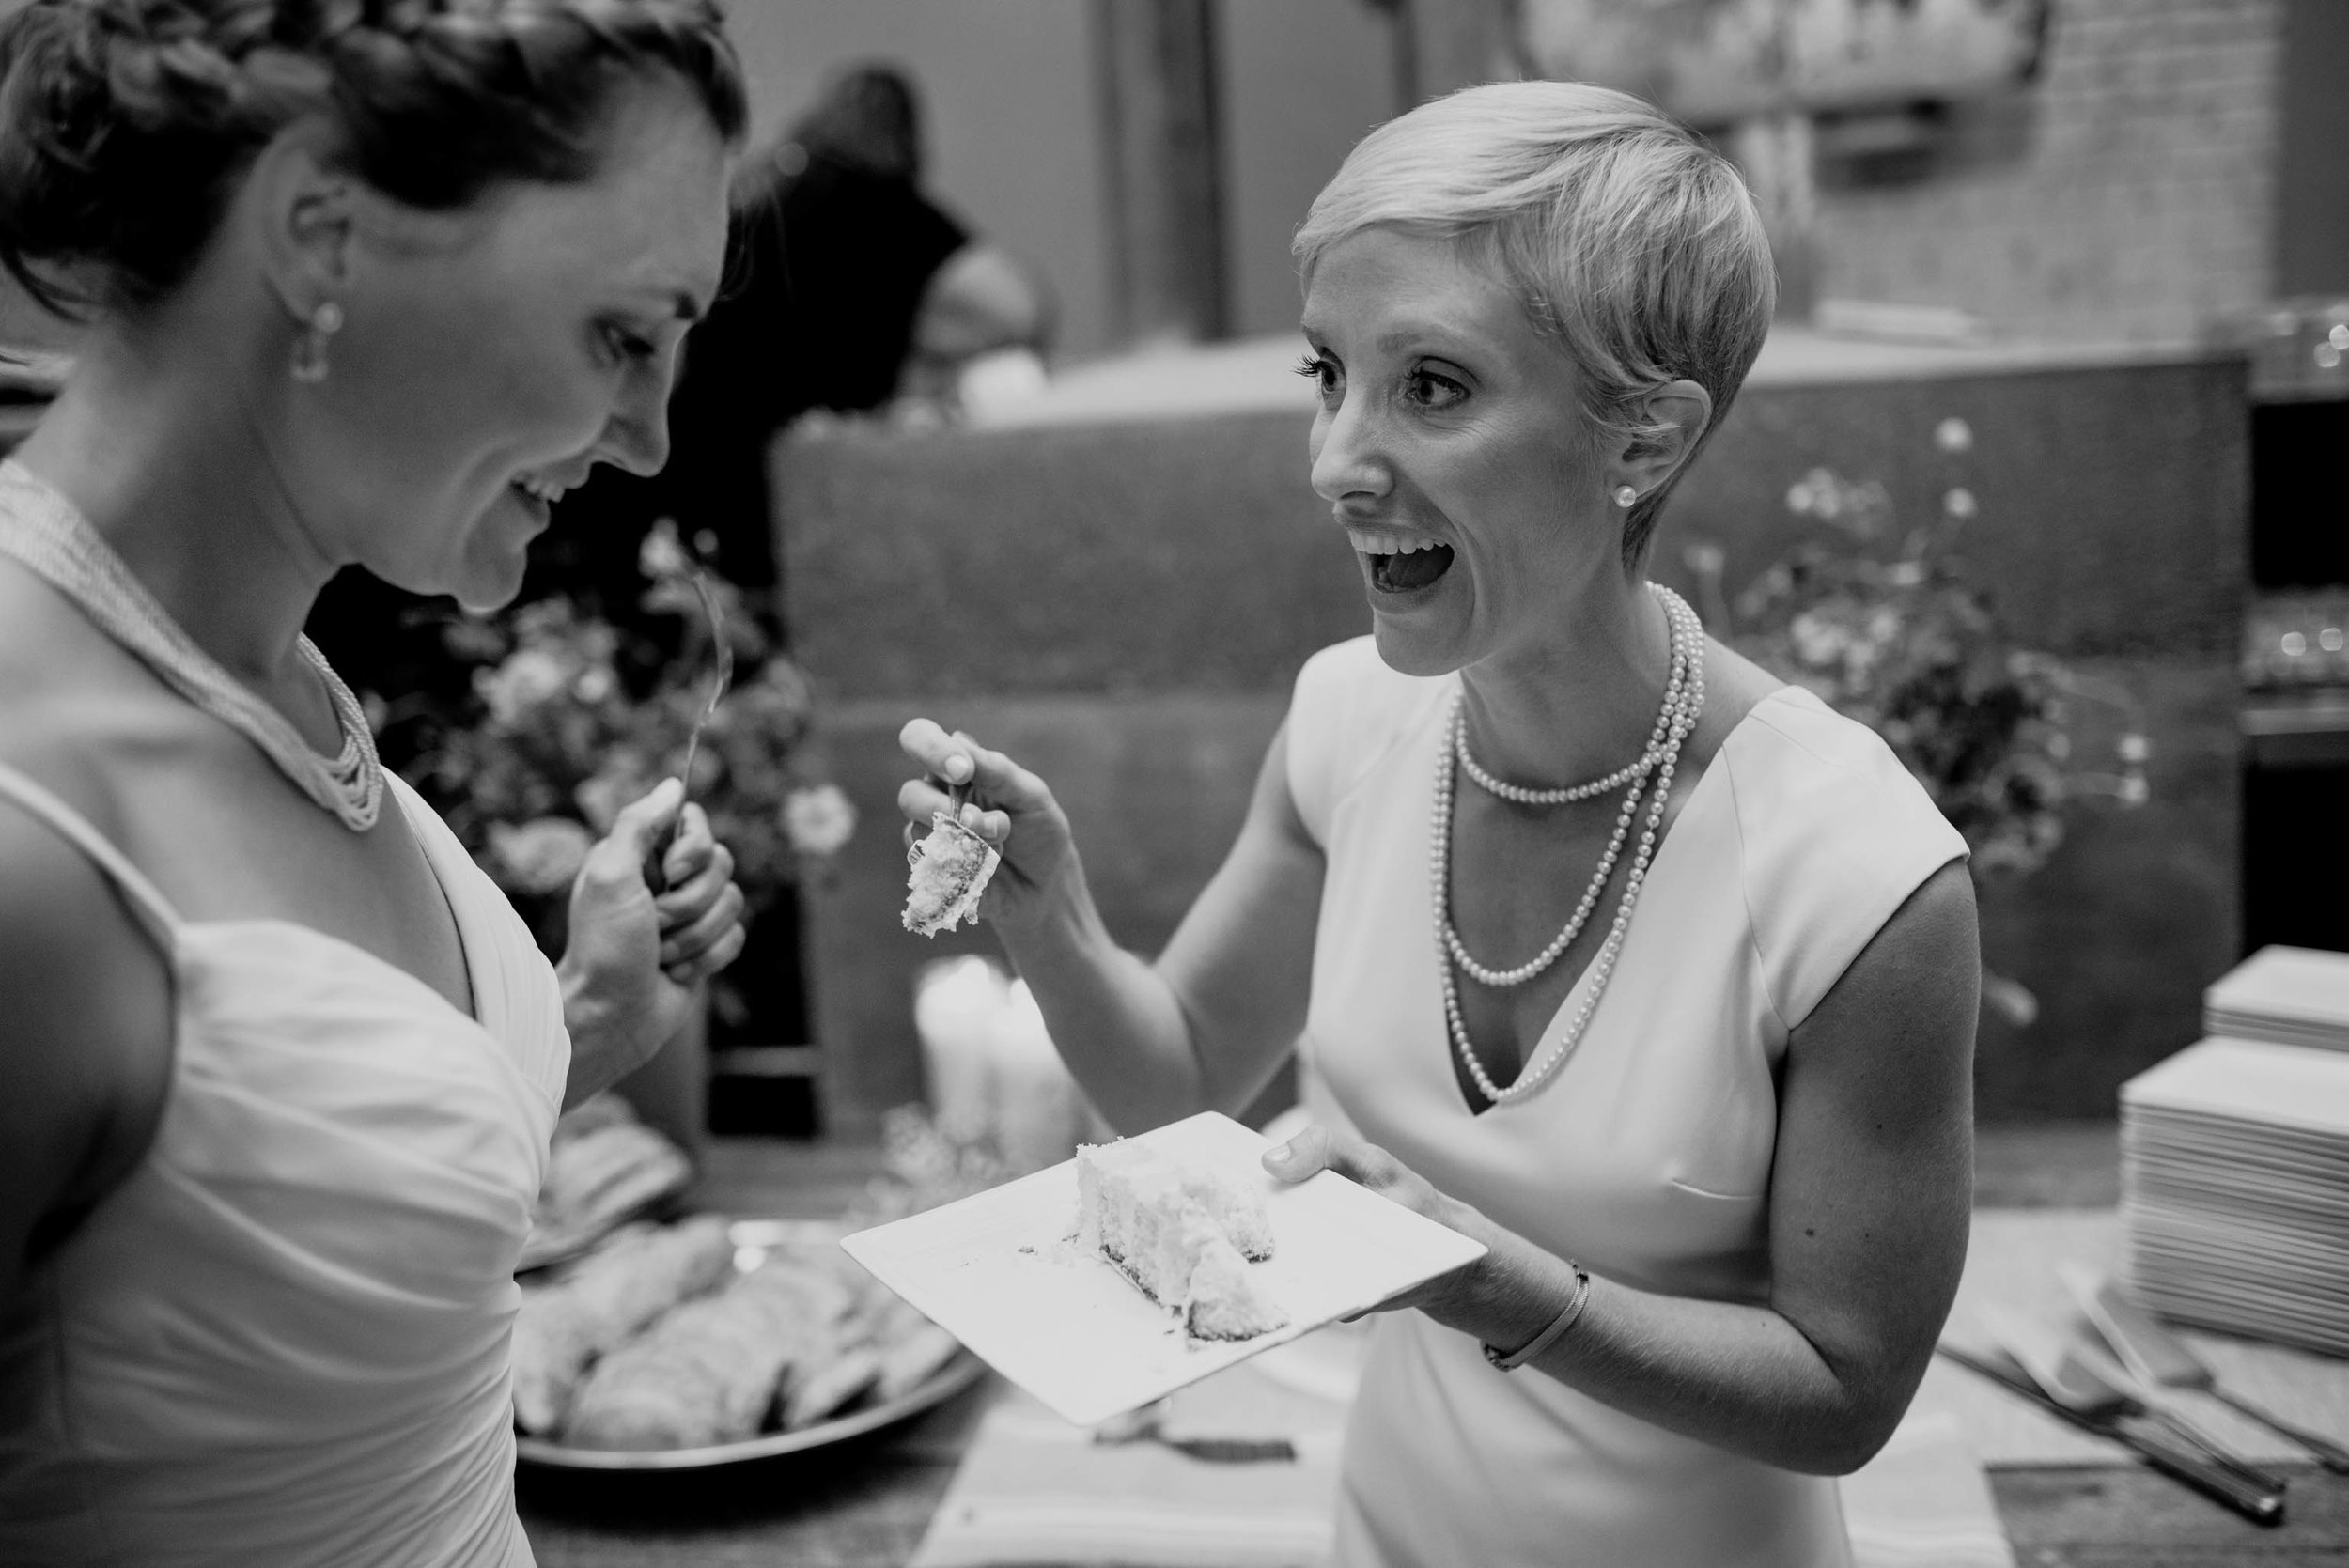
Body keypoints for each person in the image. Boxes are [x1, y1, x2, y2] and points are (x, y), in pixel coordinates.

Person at [898, 81, 1979, 1567]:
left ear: (1643, 442)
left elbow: (1848, 1392)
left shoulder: (1859, 875)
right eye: (1329, 372)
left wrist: (1492, 1284)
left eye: (1434, 387)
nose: (1338, 460)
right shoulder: (1349, 721)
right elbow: (1175, 1085)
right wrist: (1052, 918)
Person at [0, 1, 751, 1561]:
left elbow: (238, 1247)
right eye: (624, 334)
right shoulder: (28, 822)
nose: (653, 436)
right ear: (321, 231)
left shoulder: (266, 664)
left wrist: (580, 1018)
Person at [552, 60, 1051, 612]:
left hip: (660, 474)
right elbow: (1010, 304)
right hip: (751, 504)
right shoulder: (873, 205)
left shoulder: (757, 194)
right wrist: (940, 372)